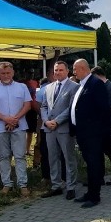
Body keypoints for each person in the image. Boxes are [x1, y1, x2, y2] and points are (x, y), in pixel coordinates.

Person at [0, 61, 32, 197]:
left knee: (20, 156)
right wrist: (5, 119)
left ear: (13, 73)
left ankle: (22, 184)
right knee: (3, 156)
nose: (6, 75)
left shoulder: (22, 87)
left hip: (19, 126)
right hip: (0, 127)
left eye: (8, 73)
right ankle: (7, 183)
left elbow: (27, 105)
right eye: (3, 73)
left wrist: (14, 119)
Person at [70, 59, 110, 207]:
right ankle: (89, 193)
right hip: (82, 133)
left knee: (94, 164)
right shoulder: (82, 84)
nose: (73, 72)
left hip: (92, 134)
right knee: (89, 164)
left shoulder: (95, 84)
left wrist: (94, 129)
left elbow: (103, 109)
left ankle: (95, 196)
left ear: (82, 68)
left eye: (75, 69)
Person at [39, 61, 80, 200]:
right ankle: (56, 185)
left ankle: (71, 187)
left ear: (67, 71)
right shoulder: (49, 87)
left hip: (64, 128)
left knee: (69, 158)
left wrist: (57, 121)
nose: (58, 72)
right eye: (56, 70)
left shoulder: (75, 87)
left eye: (61, 70)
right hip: (49, 128)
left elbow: (71, 108)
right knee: (52, 158)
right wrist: (46, 121)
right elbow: (43, 106)